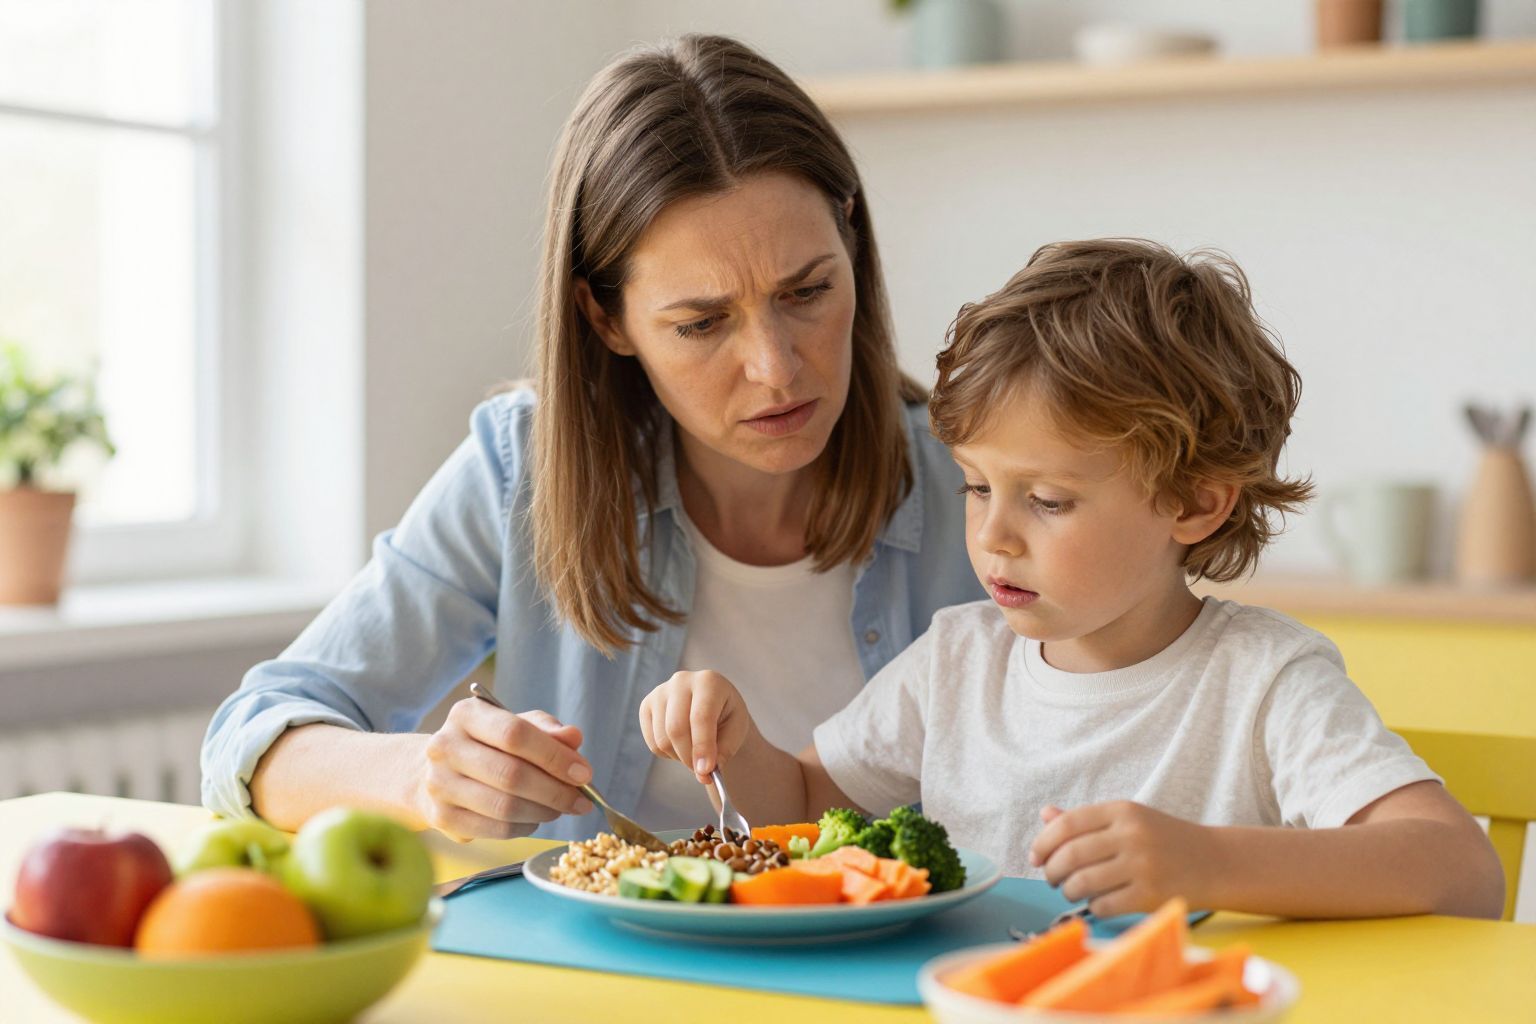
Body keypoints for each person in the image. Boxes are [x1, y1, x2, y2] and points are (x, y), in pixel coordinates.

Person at [198, 34, 981, 842]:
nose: (776, 368)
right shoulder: (522, 471)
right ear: (605, 318)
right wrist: (421, 776)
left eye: (807, 291)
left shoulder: (976, 482)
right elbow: (250, 739)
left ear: (851, 243)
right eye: (702, 324)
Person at [640, 239, 1506, 919]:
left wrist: (1208, 863)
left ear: (1193, 503)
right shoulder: (957, 662)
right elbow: (798, 803)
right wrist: (735, 744)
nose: (993, 536)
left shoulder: (1264, 682)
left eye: (1048, 500)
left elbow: (1462, 870)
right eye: (977, 487)